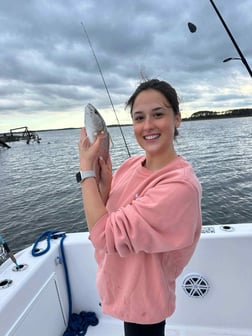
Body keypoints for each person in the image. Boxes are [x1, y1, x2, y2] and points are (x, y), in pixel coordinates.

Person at [78, 78, 202, 336]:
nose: (147, 126)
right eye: (138, 118)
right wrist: (101, 185)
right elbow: (103, 213)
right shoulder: (131, 165)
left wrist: (86, 172)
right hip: (124, 290)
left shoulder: (179, 186)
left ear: (177, 118)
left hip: (145, 302)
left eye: (158, 114)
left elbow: (103, 235)